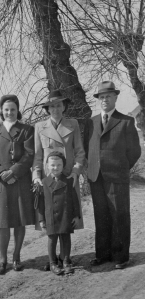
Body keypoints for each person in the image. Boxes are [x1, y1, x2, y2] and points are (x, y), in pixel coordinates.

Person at [84, 81, 141, 269]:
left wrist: (122, 167)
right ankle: (102, 254)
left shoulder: (125, 121)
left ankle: (121, 256)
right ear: (98, 100)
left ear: (115, 98)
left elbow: (134, 151)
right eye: (102, 97)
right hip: (96, 177)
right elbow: (86, 148)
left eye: (108, 96)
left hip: (117, 176)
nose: (105, 100)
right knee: (100, 215)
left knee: (119, 215)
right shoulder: (91, 123)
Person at [32, 89, 85, 269]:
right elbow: (38, 156)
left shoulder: (73, 124)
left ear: (64, 107)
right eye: (52, 106)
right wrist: (36, 176)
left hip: (68, 178)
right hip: (49, 180)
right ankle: (53, 260)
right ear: (48, 109)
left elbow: (79, 152)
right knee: (51, 224)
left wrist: (76, 172)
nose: (55, 109)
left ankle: (65, 258)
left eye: (59, 105)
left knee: (67, 220)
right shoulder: (40, 127)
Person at [0, 95, 35, 275]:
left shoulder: (27, 130)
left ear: (17, 110)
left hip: (20, 180)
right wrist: (1, 173)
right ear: (1, 111)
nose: (9, 112)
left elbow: (30, 155)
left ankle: (16, 257)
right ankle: (2, 259)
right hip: (1, 184)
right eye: (6, 109)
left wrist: (13, 172)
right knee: (3, 223)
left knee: (19, 221)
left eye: (13, 109)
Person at [38, 151, 81, 275]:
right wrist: (41, 220)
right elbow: (41, 204)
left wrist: (76, 216)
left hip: (65, 216)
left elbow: (75, 200)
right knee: (52, 240)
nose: (55, 168)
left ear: (63, 166)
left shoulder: (68, 181)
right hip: (51, 217)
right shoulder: (44, 182)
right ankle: (52, 263)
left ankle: (66, 260)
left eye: (58, 165)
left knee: (66, 238)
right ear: (47, 166)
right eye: (52, 165)